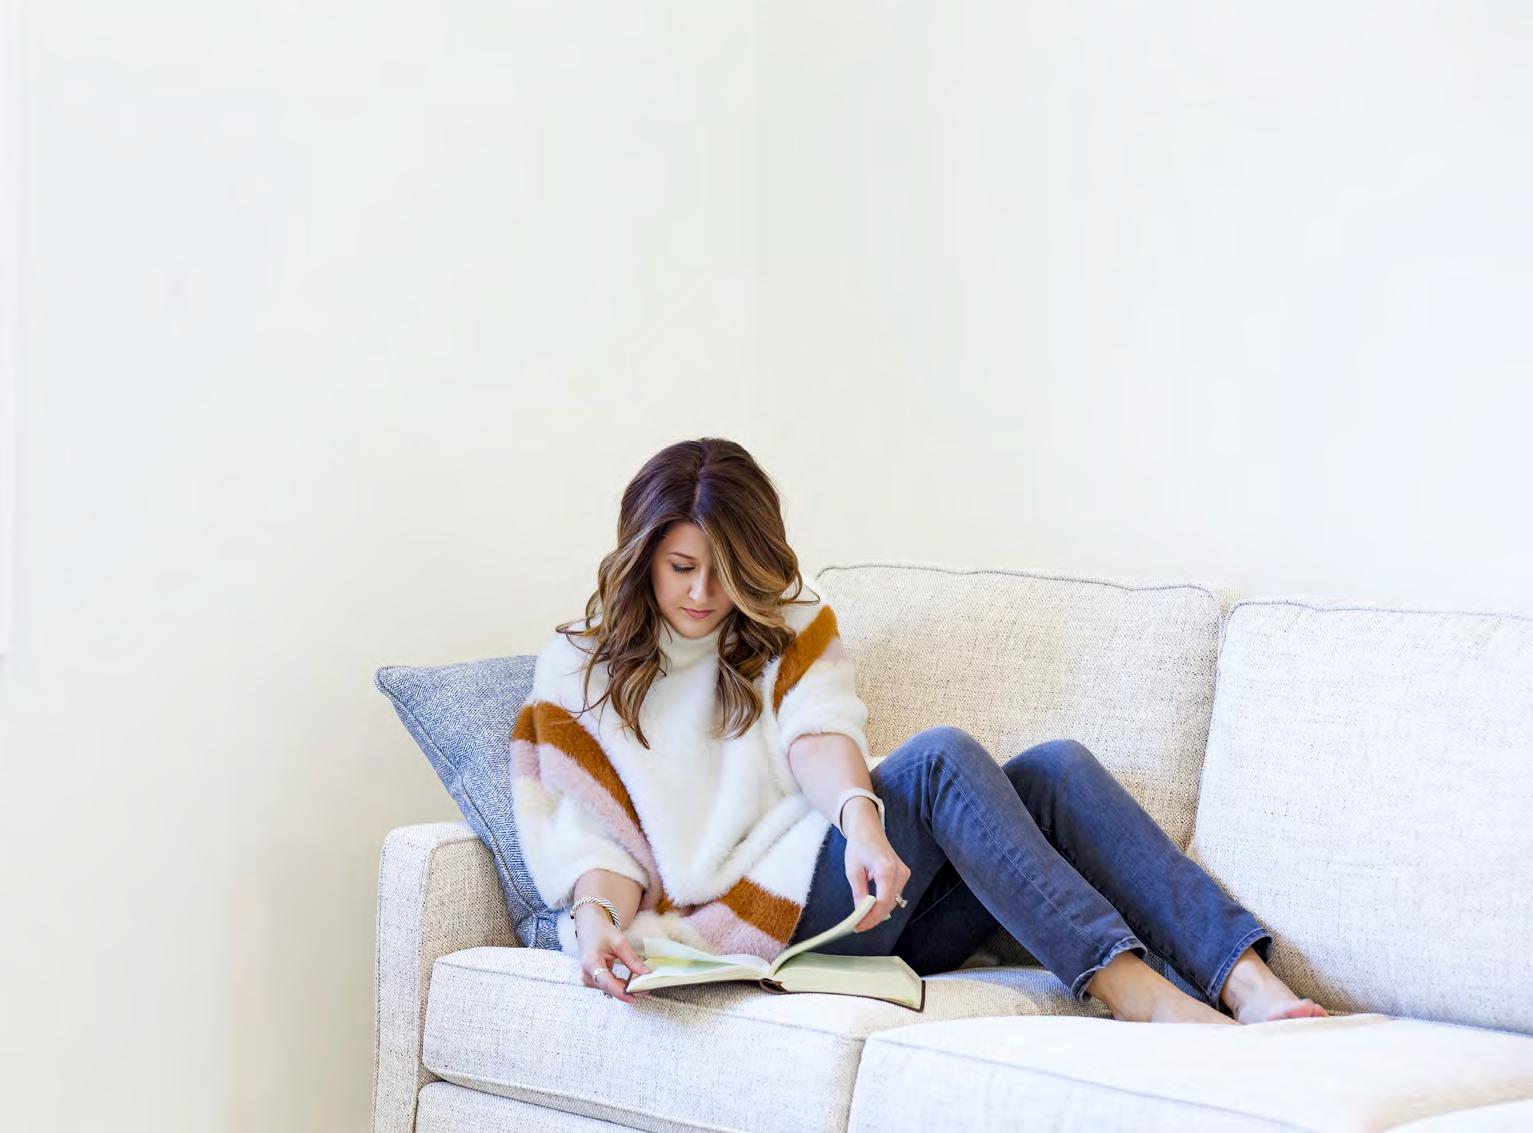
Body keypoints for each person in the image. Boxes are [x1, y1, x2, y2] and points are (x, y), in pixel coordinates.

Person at [509, 437, 1330, 1024]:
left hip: (863, 901)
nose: (702, 594)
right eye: (681, 568)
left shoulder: (787, 621)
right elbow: (598, 841)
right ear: (642, 553)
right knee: (938, 760)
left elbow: (817, 735)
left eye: (725, 572)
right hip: (748, 923)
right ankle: (1133, 991)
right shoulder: (579, 668)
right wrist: (597, 919)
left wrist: (861, 822)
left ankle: (1246, 981)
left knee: (1054, 770)